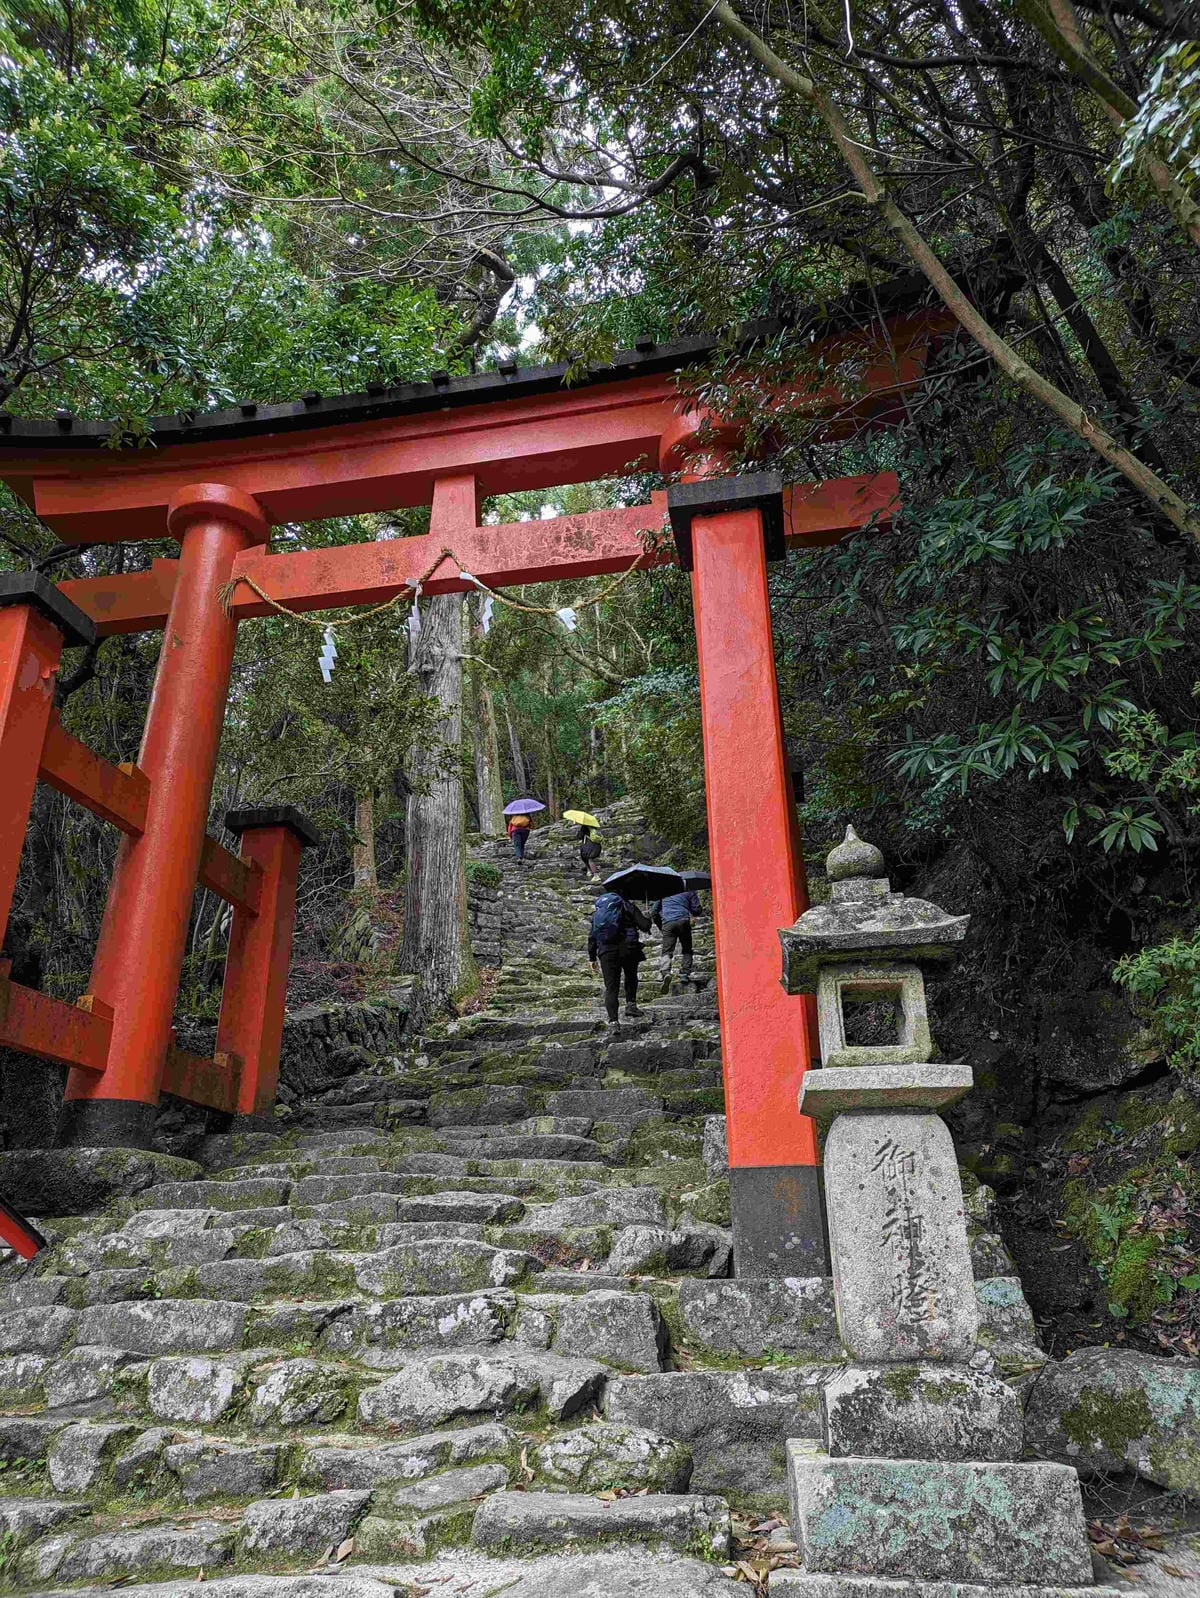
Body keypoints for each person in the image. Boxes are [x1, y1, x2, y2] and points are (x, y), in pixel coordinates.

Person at [588, 890, 651, 1030]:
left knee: (611, 987)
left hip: (606, 951)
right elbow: (645, 926)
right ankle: (631, 1005)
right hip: (629, 948)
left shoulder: (600, 911)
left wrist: (592, 958)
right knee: (630, 976)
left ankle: (614, 1022)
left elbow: (592, 935)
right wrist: (648, 916)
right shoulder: (629, 906)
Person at [652, 884, 704, 989]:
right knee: (687, 948)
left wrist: (660, 925)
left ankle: (666, 972)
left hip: (668, 923)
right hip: (683, 921)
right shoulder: (689, 890)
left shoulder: (663, 891)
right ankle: (684, 973)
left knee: (667, 950)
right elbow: (697, 910)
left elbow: (654, 912)